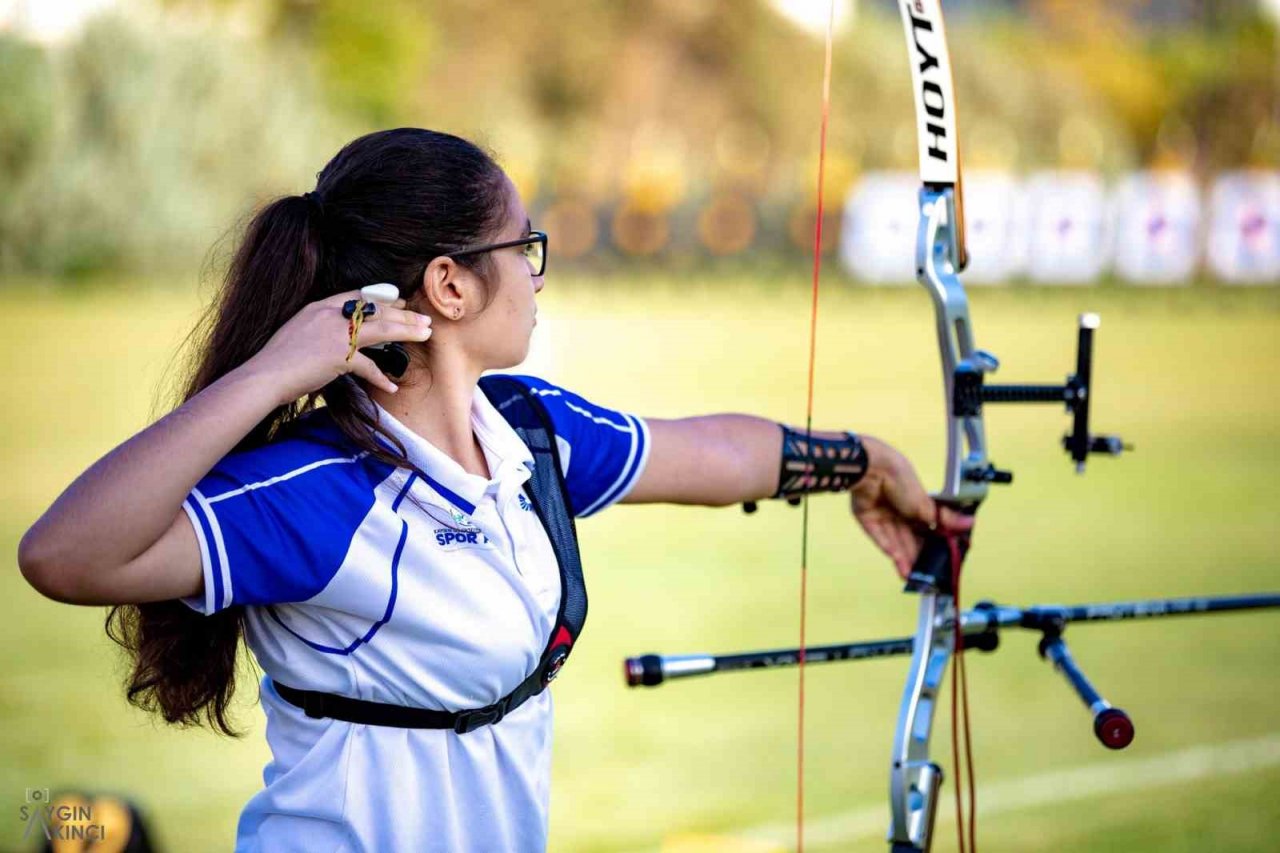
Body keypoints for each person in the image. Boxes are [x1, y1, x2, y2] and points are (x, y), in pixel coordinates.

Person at [17, 128, 973, 852]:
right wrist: (272, 371)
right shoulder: (321, 491)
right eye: (525, 248)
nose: (536, 274)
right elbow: (62, 554)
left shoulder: (523, 431)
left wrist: (868, 460)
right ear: (450, 285)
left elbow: (710, 456)